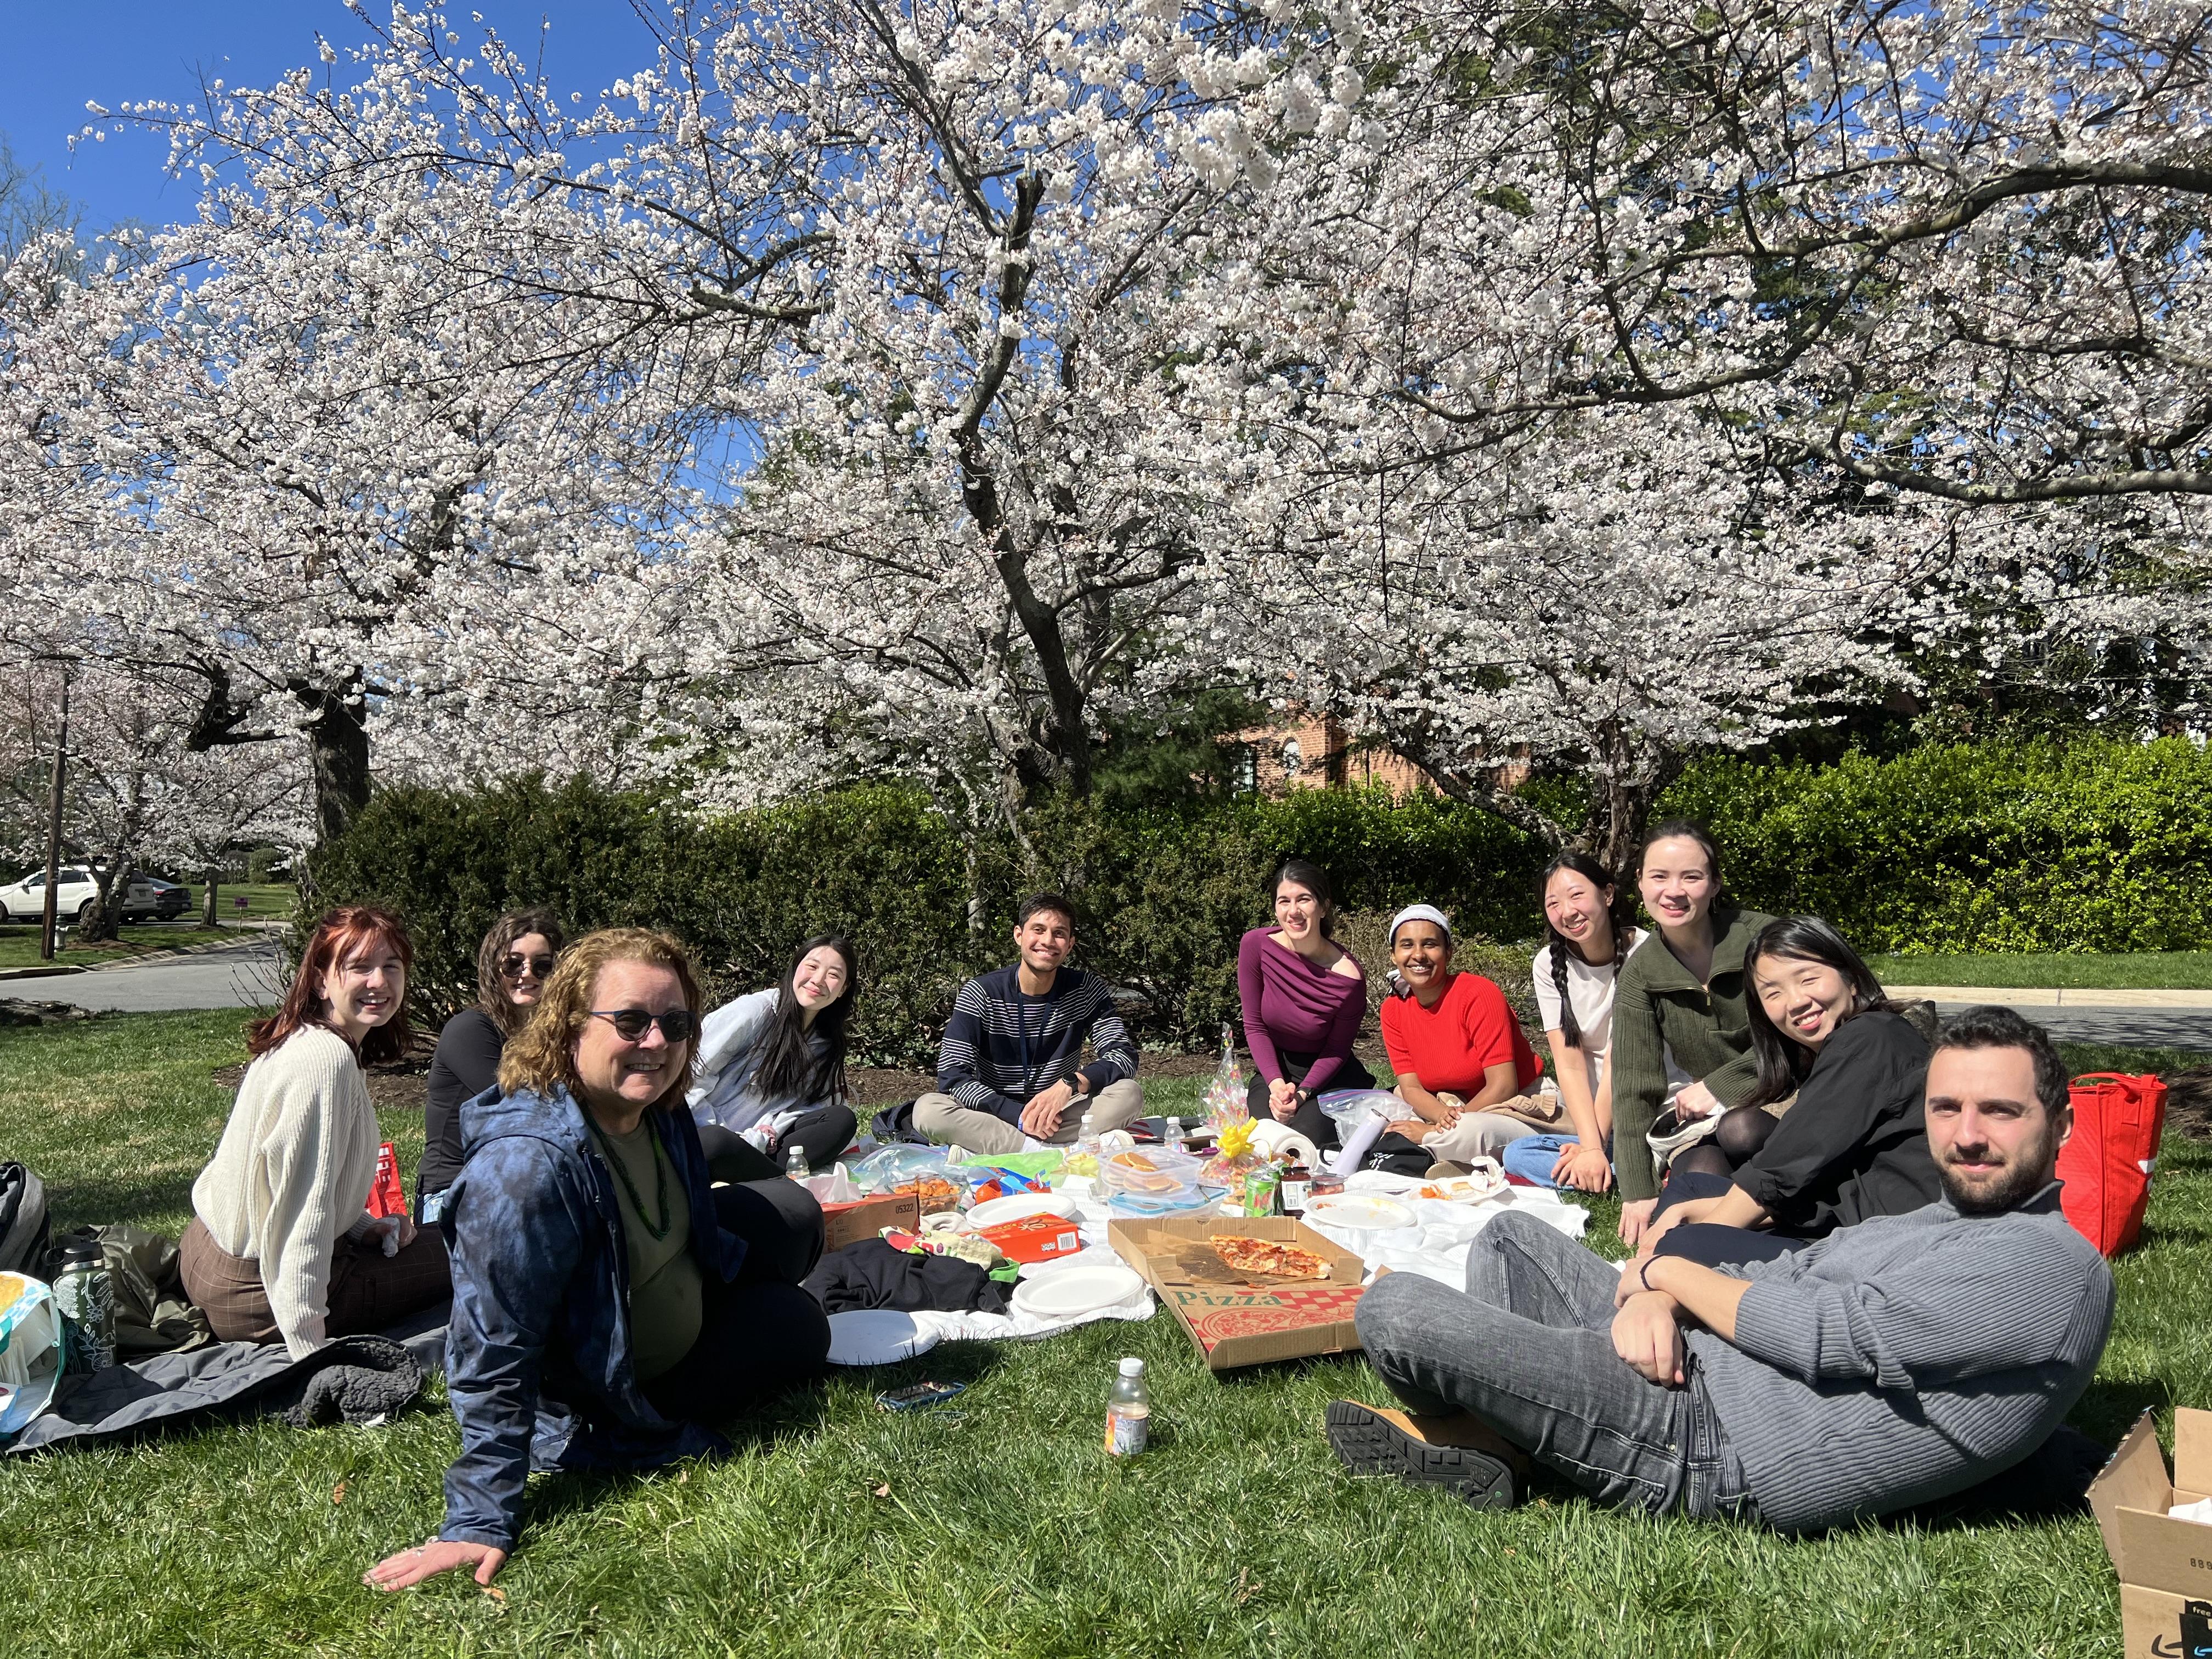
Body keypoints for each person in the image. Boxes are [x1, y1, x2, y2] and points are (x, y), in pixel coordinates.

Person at [1331, 1005, 2113, 1531]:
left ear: (2063, 1125)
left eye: (2001, 1112)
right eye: (1947, 1109)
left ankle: (1497, 1437)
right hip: (1695, 1365)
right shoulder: (1952, 1217)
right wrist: (1653, 1295)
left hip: (1714, 1440)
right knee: (1507, 1235)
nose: (1967, 1135)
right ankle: (1511, 1434)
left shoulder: (2050, 1265)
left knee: (1394, 1310)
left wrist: (1665, 1282)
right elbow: (1798, 1272)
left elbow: (1825, 1333)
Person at [365, 928, 831, 1592]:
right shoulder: (525, 1172)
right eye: (632, 1021)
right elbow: (493, 1344)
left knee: (795, 1214)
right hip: (612, 1385)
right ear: (567, 1027)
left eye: (675, 1023)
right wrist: (480, 1518)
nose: (658, 1043)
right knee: (800, 1326)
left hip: (652, 1278)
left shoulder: (656, 1105)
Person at [180, 906, 451, 1356]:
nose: (379, 982)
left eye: (391, 966)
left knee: (440, 1240)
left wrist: (365, 1227)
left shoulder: (307, 1039)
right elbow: (299, 1216)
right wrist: (310, 1349)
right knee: (471, 1248)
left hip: (205, 1254)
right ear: (322, 980)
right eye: (359, 967)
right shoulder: (325, 1063)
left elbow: (278, 1184)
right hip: (256, 1295)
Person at [1622, 916, 1943, 1270]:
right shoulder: (1840, 1048)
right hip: (1845, 1212)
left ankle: (1659, 1284)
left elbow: (1783, 1169)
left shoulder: (1871, 1037)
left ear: (1850, 978)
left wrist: (1694, 1243)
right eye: (1773, 993)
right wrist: (1692, 1217)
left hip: (1884, 1242)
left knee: (1680, 1246)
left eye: (1809, 979)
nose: (1796, 1002)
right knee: (1690, 1191)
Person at [1607, 821, 1778, 1244]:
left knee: (1743, 1129)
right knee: (1699, 1174)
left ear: (1715, 884)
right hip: (1704, 1119)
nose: (1674, 891)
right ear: (1641, 884)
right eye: (1659, 877)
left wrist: (1721, 1085)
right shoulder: (1640, 974)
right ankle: (1720, 1258)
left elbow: (1802, 1038)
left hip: (1782, 1091)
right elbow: (1634, 1086)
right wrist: (1638, 1190)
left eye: (1692, 877)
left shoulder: (1763, 939)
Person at [914, 893, 1143, 1155]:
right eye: (1038, 930)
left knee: (1129, 1094)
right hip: (996, 1115)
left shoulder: (1085, 989)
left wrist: (1069, 1084)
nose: (1048, 941)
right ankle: (1044, 1150)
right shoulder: (981, 992)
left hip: (1060, 1112)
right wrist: (1017, 1115)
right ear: (1019, 935)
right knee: (928, 1111)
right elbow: (953, 1076)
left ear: (1070, 944)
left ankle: (1009, 1150)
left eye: (1059, 933)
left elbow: (1122, 1055)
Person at [1498, 854, 1650, 1192]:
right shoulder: (1548, 965)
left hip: (1645, 1105)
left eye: (1577, 896)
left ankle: (1617, 1169)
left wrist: (1592, 1148)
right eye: (1553, 903)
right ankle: (1620, 1171)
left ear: (1608, 894)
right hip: (1593, 1120)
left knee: (1580, 1155)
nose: (1567, 911)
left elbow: (1618, 1059)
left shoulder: (1647, 953)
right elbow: (1569, 1064)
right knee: (1516, 1154)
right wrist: (1589, 1143)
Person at [417, 909, 565, 1223]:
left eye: (543, 965)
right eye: (513, 964)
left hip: (521, 1184)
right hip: (454, 1190)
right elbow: (523, 1110)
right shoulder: (471, 1029)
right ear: (493, 969)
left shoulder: (550, 1034)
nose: (527, 974)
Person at [1375, 905, 1548, 1167]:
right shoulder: (1393, 1010)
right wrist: (1442, 1116)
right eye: (1407, 945)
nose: (1418, 955)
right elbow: (1410, 1087)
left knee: (1470, 1133)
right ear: (1394, 955)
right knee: (1388, 1105)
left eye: (1430, 944)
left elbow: (1503, 1086)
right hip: (1452, 1105)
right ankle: (1454, 1161)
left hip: (1513, 1105)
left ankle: (1444, 1155)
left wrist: (1437, 1129)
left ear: (1448, 952)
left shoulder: (1478, 994)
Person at [690, 935, 861, 1180]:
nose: (818, 980)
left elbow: (809, 1108)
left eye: (833, 975)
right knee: (715, 1143)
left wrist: (766, 1134)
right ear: (795, 968)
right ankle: (774, 1180)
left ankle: (763, 1177)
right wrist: (736, 1137)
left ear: (843, 989)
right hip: (708, 1133)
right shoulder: (753, 1012)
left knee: (841, 1119)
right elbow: (690, 1078)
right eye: (812, 966)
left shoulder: (825, 1043)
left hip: (762, 1145)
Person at [1237, 859, 1376, 1150]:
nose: (1293, 911)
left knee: (1302, 1140)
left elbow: (1337, 1050)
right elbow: (1254, 1025)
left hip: (1329, 1075)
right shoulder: (1256, 946)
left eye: (1304, 900)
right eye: (1284, 901)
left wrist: (1302, 1095)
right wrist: (1277, 1085)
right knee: (1263, 1137)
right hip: (1277, 1068)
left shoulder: (1349, 978)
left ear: (1323, 907)